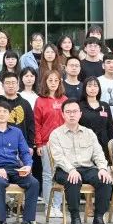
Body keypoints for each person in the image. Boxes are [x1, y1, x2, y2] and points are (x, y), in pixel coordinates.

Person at [48, 100, 113, 224]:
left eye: (75, 111)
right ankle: (75, 219)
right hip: (64, 170)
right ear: (63, 114)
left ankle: (98, 218)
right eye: (68, 112)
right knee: (73, 180)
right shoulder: (56, 134)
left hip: (88, 168)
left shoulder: (89, 133)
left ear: (80, 114)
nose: (72, 115)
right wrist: (71, 170)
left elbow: (98, 153)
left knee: (105, 180)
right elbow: (59, 157)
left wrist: (102, 168)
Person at [34, 70, 66, 216]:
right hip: (46, 143)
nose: (53, 83)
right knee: (47, 174)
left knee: (61, 174)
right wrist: (39, 143)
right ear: (45, 82)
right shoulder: (40, 100)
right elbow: (37, 123)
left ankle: (57, 206)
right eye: (50, 80)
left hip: (63, 143)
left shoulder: (64, 100)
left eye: (56, 80)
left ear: (60, 82)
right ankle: (48, 205)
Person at [0, 72, 36, 149]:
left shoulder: (25, 103)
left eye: (13, 83)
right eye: (7, 83)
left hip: (21, 146)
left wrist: (30, 145)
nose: (11, 86)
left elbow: (31, 125)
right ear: (2, 85)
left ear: (18, 85)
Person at [77, 77, 113, 162]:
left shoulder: (105, 106)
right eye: (89, 86)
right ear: (84, 88)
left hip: (104, 144)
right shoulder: (79, 106)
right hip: (85, 144)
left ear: (99, 88)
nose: (93, 88)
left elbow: (110, 127)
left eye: (95, 86)